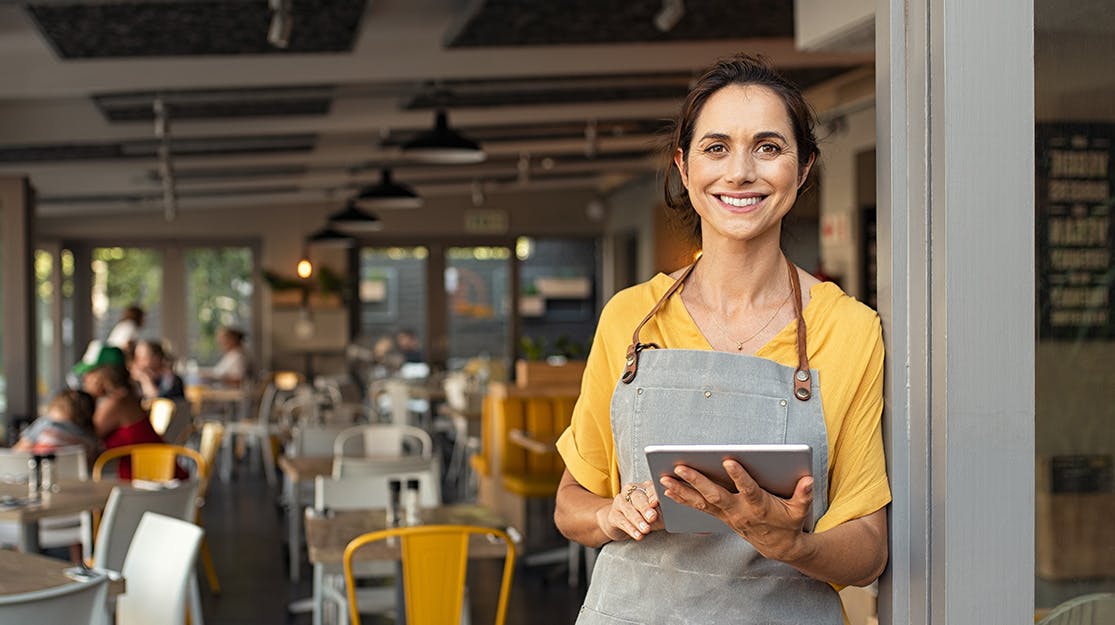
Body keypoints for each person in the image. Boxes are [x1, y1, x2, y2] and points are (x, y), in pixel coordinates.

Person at [553, 54, 889, 624]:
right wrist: (612, 515)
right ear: (685, 168)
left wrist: (793, 545)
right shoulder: (630, 319)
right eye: (716, 148)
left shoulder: (848, 328)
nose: (740, 173)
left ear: (803, 168)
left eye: (768, 147)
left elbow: (869, 548)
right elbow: (570, 503)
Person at [84, 362, 177, 479]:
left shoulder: (116, 402)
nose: (85, 379)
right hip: (155, 476)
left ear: (101, 376)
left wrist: (86, 398)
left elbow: (86, 436)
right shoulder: (127, 397)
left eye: (90, 374)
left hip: (156, 481)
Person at [14, 389, 99, 462]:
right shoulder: (91, 439)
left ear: (56, 407)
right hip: (75, 480)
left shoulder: (45, 424)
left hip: (42, 476)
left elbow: (18, 453)